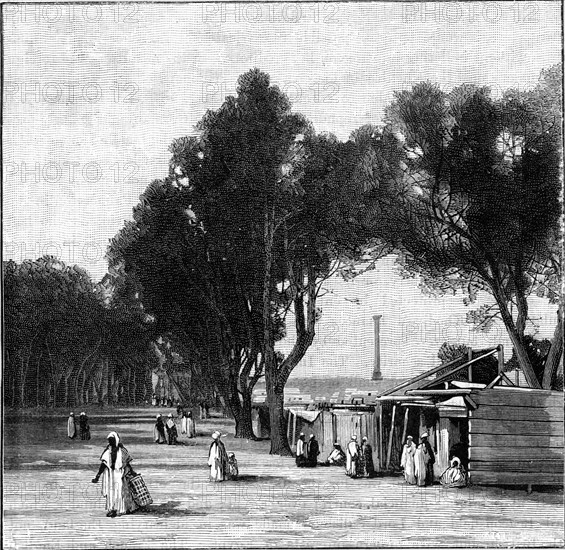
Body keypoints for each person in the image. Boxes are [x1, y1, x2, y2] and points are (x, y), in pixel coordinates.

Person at [91, 432, 138, 517]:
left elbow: (127, 463)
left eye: (111, 440)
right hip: (110, 476)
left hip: (120, 474)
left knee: (121, 492)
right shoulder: (108, 451)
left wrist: (132, 472)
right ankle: (112, 509)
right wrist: (97, 476)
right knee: (111, 492)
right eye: (109, 441)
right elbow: (103, 464)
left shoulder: (122, 451)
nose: (110, 442)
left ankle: (122, 508)